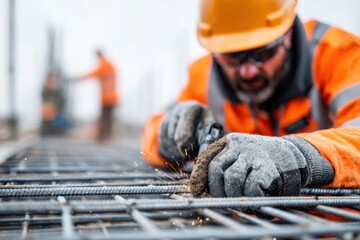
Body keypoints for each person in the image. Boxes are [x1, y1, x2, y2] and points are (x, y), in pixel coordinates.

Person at [142, 0, 360, 197]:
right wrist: (167, 137)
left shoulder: (339, 55)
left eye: (262, 53)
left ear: (288, 34)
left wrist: (301, 156)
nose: (247, 72)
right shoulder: (204, 73)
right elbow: (152, 132)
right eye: (232, 56)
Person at [79, 50, 120, 141]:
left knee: (105, 117)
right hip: (110, 97)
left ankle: (104, 135)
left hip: (108, 97)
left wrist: (80, 78)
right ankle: (105, 135)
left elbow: (94, 73)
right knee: (107, 117)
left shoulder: (104, 64)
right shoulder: (108, 64)